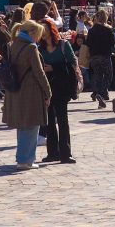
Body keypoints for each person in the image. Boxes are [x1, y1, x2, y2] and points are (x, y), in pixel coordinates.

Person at [2, 20, 52, 170]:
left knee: (22, 127)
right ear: (31, 33)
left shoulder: (13, 44)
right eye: (38, 34)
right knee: (31, 126)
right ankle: (25, 160)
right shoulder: (31, 48)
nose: (39, 38)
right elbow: (39, 72)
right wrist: (48, 91)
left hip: (16, 90)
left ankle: (23, 158)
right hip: (30, 91)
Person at [38, 19, 80, 163]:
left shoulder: (63, 44)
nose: (43, 33)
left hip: (62, 86)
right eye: (40, 30)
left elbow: (72, 63)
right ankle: (52, 153)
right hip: (47, 86)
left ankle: (65, 153)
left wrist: (54, 68)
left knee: (62, 120)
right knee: (49, 121)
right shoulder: (39, 48)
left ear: (51, 29)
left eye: (45, 29)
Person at [86, 8, 115, 109]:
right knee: (108, 75)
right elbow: (112, 43)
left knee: (98, 75)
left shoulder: (92, 30)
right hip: (105, 55)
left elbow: (88, 43)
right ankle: (102, 93)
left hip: (94, 56)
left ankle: (98, 92)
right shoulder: (108, 29)